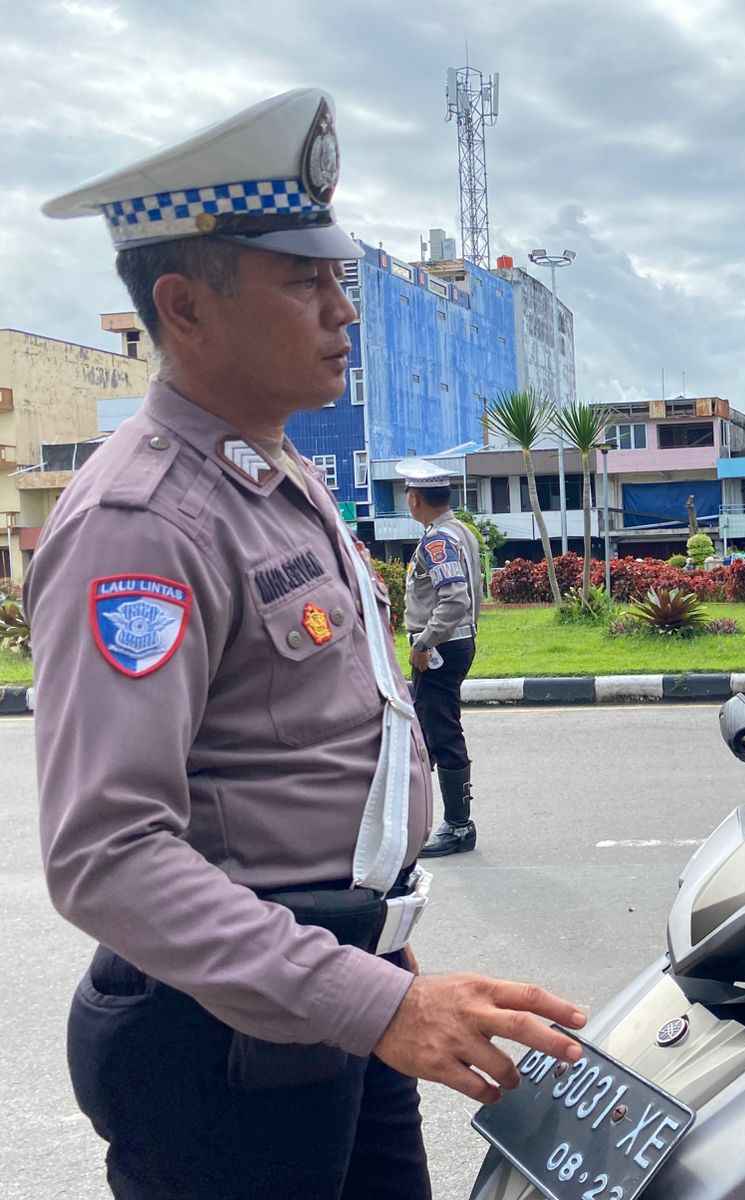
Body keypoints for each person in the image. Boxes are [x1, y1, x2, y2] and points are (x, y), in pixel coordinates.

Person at [29, 88, 584, 1200]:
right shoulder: (144, 521)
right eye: (305, 281)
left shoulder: (274, 472)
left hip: (327, 985)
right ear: (185, 308)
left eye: (340, 279)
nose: (345, 312)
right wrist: (373, 999)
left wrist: (371, 947)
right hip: (223, 1042)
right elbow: (107, 853)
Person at [398, 458, 485, 858]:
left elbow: (454, 600)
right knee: (427, 730)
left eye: (407, 494)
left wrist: (423, 643)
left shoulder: (437, 541)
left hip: (440, 647)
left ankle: (458, 826)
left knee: (441, 731)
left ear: (415, 499)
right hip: (454, 643)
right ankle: (421, 818)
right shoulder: (458, 531)